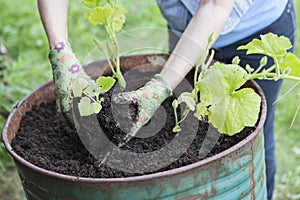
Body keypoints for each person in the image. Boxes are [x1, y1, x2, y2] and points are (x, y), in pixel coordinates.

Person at [38, 0, 296, 199]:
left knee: (254, 135)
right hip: (186, 27)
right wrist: (60, 50)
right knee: (184, 121)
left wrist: (161, 84)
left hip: (254, 31)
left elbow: (216, 5)